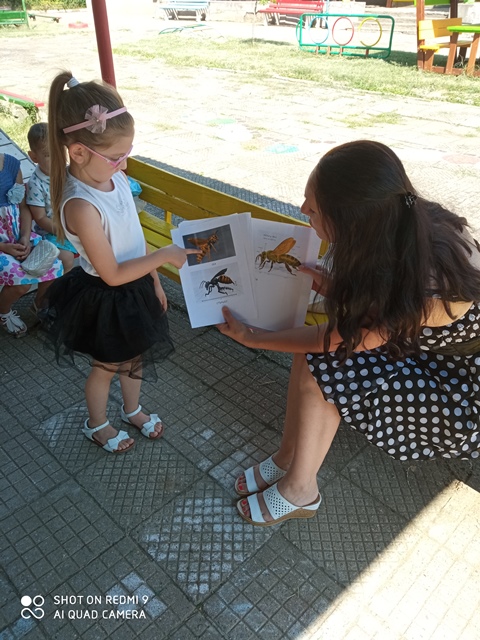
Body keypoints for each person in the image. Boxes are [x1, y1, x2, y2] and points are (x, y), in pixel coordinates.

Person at [217, 140, 480, 527]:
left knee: (326, 364)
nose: (302, 209)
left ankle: (301, 490)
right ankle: (287, 458)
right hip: (424, 345)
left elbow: (335, 339)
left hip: (458, 385)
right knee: (317, 359)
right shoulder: (403, 219)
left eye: (314, 208)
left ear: (351, 223)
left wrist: (251, 338)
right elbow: (374, 312)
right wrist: (340, 289)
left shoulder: (423, 285)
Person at [44, 71, 199, 454]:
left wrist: (155, 281)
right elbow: (111, 273)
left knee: (136, 357)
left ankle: (132, 410)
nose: (124, 164)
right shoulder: (81, 206)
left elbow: (134, 234)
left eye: (127, 154)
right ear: (79, 152)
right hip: (107, 296)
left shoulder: (116, 180)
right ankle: (96, 424)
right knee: (106, 367)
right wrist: (163, 257)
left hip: (137, 285)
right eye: (116, 157)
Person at [0, 152, 63, 337]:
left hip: (17, 234)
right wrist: (3, 247)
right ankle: (3, 312)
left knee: (52, 264)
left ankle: (40, 304)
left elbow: (23, 207)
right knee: (22, 283)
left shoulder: (11, 164)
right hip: (2, 246)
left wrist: (25, 237)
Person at [27, 122, 77, 291]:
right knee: (65, 259)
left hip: (73, 226)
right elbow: (40, 218)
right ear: (34, 157)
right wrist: (63, 231)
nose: (56, 159)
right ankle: (49, 297)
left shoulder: (68, 172)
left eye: (59, 152)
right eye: (49, 155)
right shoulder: (36, 184)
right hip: (50, 232)